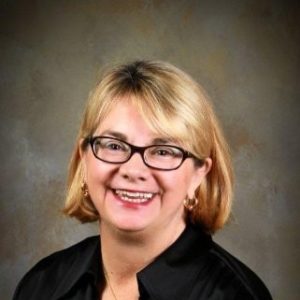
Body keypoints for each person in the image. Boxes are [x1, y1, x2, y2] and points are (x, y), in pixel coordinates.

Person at [13, 60, 272, 300]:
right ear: (84, 158)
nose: (133, 169)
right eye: (114, 145)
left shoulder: (233, 295)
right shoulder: (42, 285)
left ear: (198, 174)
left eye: (163, 151)